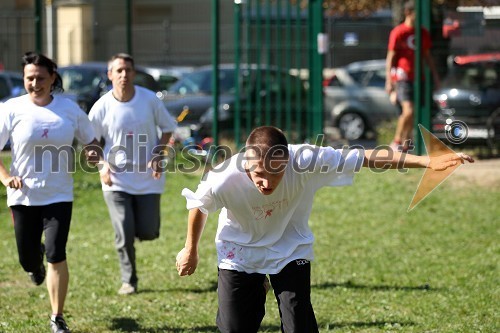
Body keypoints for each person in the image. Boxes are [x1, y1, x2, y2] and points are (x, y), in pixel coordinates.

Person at [175, 126, 474, 333]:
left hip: (289, 248)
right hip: (238, 252)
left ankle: (267, 283)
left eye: (273, 173)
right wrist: (191, 249)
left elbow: (366, 157)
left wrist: (425, 161)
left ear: (287, 161)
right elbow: (199, 205)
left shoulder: (306, 160)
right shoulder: (225, 176)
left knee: (300, 325)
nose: (265, 182)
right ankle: (257, 285)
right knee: (235, 328)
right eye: (258, 174)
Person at [0, 52, 100, 333]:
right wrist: (6, 178)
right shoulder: (11, 108)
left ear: (53, 78)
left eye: (40, 78)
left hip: (59, 194)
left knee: (57, 254)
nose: (34, 83)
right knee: (27, 258)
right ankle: (34, 264)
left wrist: (99, 159)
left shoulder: (69, 109)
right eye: (29, 78)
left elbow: (91, 142)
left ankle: (57, 317)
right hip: (23, 196)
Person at [88, 53, 177, 295]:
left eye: (128, 70)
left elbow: (168, 128)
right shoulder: (102, 106)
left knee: (148, 231)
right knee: (123, 232)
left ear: (134, 73)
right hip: (115, 179)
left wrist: (158, 155)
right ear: (110, 75)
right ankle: (129, 279)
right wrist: (102, 166)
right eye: (118, 70)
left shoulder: (149, 100)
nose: (123, 75)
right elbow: (90, 140)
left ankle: (137, 227)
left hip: (148, 178)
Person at [385, 0, 440, 152]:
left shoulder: (423, 33)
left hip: (419, 78)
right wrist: (389, 81)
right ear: (408, 13)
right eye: (417, 13)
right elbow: (391, 57)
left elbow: (427, 56)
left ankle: (406, 144)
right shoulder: (399, 32)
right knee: (408, 111)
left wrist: (435, 76)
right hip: (403, 78)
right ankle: (396, 141)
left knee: (413, 113)